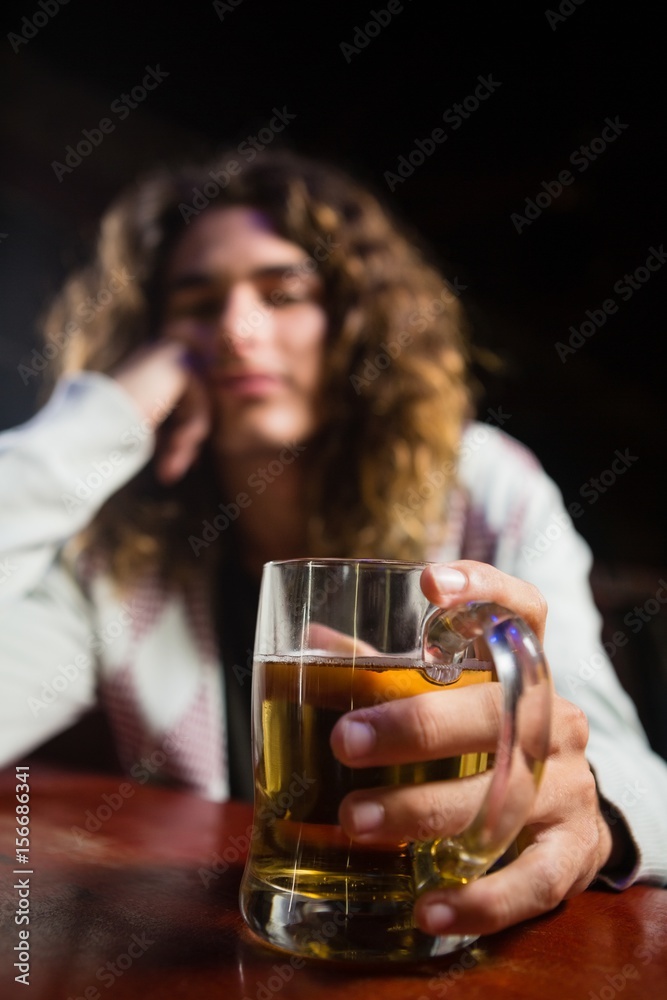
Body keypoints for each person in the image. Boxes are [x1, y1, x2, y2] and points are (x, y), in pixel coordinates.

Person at [0, 149, 665, 942]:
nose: (236, 331)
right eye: (195, 302)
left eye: (283, 293)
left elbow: (640, 778)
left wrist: (588, 804)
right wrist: (98, 421)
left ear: (354, 321)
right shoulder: (121, 554)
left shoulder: (485, 486)